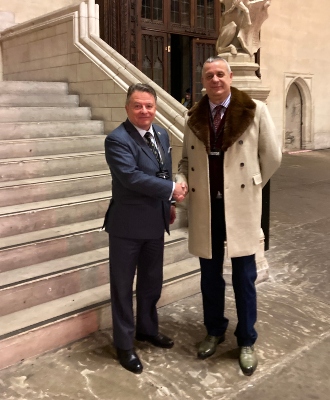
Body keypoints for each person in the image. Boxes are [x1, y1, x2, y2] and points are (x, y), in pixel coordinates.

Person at [176, 56, 281, 376]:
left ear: (230, 77)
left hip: (241, 207)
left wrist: (252, 185)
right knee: (209, 276)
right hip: (207, 207)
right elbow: (184, 161)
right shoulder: (193, 116)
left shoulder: (255, 111)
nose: (215, 79)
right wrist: (181, 179)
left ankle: (246, 339)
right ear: (203, 80)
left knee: (244, 277)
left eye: (220, 74)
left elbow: (272, 156)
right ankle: (214, 330)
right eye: (209, 75)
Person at [103, 83, 188, 374]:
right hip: (126, 226)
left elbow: (163, 169)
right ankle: (124, 345)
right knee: (123, 288)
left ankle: (147, 329)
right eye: (138, 105)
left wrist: (170, 205)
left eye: (149, 106)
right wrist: (171, 190)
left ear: (156, 108)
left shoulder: (161, 134)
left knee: (152, 282)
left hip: (155, 222)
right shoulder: (117, 140)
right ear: (127, 107)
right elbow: (132, 178)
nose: (144, 111)